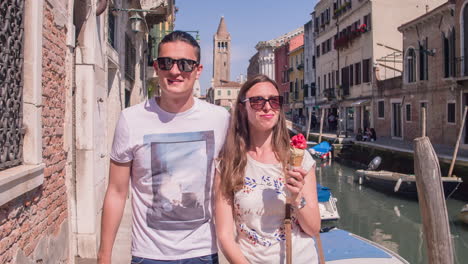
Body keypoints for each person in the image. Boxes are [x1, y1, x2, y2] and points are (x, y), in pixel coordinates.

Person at [98, 31, 230, 264]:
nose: (175, 71)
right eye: (167, 62)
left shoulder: (220, 119)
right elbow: (117, 192)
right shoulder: (130, 120)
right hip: (148, 255)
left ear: (198, 71)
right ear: (157, 67)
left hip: (202, 254)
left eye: (185, 64)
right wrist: (104, 256)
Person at [215, 75, 321, 263]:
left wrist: (297, 198)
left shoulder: (300, 160)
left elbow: (313, 229)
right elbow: (224, 235)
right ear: (242, 107)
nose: (267, 107)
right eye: (257, 101)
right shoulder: (227, 163)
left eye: (274, 101)